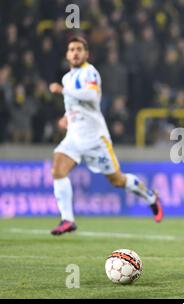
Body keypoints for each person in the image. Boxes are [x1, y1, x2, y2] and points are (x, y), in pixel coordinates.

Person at [48, 37, 163, 235]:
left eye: (79, 49)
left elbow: (92, 96)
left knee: (117, 180)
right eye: (71, 49)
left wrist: (63, 91)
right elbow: (74, 104)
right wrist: (66, 117)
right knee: (58, 170)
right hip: (74, 137)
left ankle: (151, 197)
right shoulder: (67, 77)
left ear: (86, 54)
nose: (75, 53)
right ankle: (67, 219)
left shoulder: (89, 72)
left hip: (95, 138)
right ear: (67, 55)